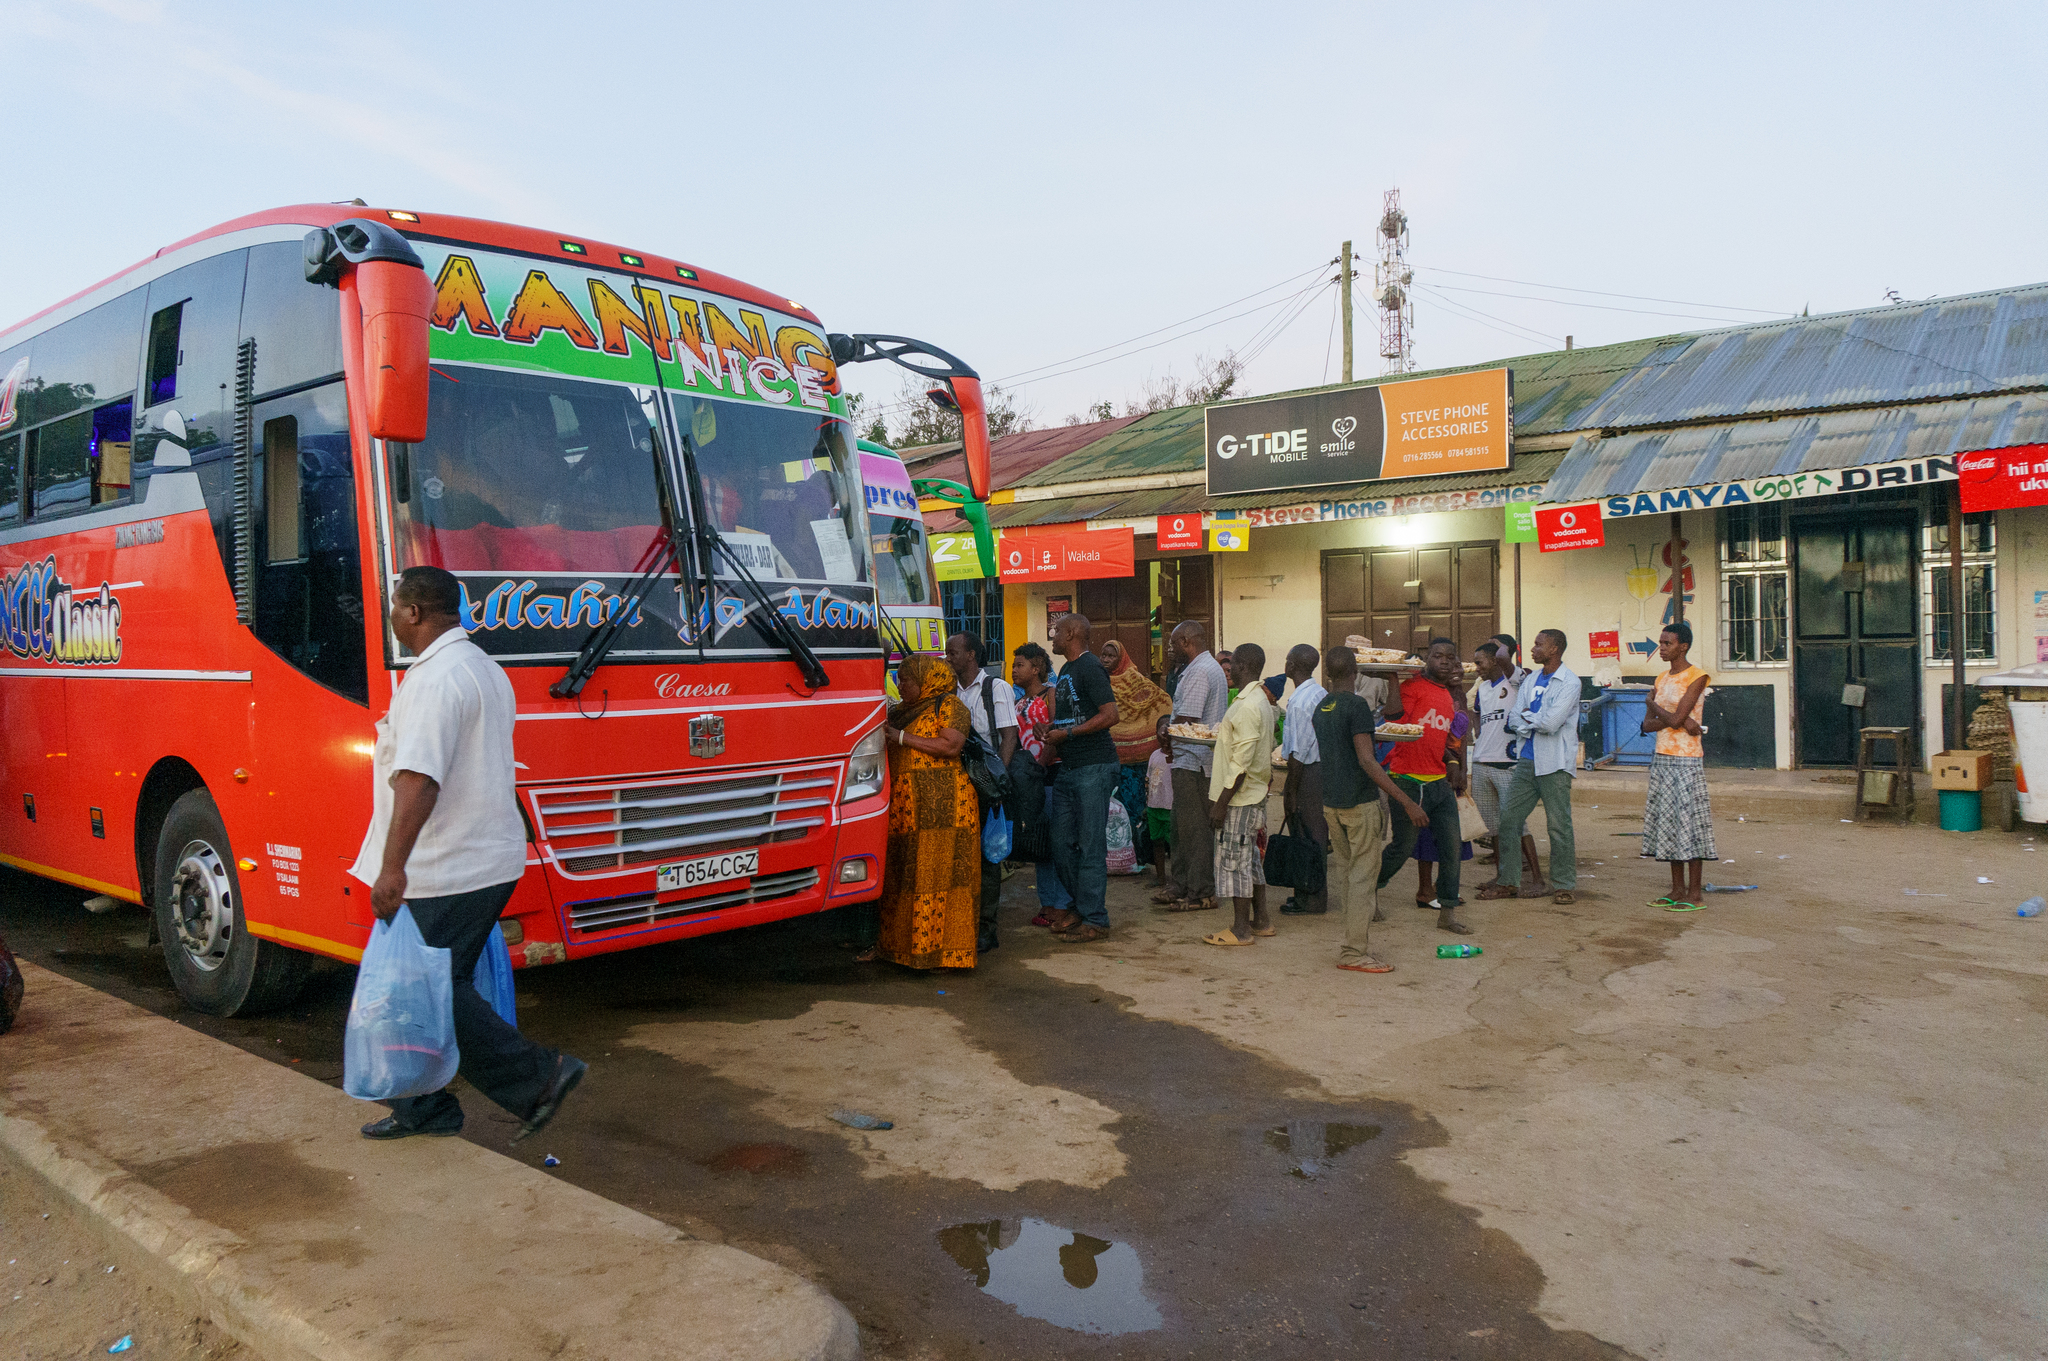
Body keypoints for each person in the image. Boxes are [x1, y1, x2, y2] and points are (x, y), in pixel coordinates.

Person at [352, 565, 584, 1143]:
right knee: (431, 986)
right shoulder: (481, 667)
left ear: (413, 614)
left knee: (425, 989)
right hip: (484, 856)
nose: (391, 616)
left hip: (448, 865)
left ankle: (540, 1078)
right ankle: (425, 1111)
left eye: (395, 606)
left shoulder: (435, 681)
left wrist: (391, 868)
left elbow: (419, 780)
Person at [1315, 647, 1430, 972]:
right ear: (1357, 670)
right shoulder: (1357, 706)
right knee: (1363, 878)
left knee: (1349, 875)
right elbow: (1367, 759)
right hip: (1359, 803)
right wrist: (1407, 802)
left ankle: (1353, 941)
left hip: (1332, 804)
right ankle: (1353, 952)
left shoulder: (1321, 706)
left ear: (1329, 673)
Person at [863, 655, 980, 969]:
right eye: (899, 679)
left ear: (928, 680)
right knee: (902, 878)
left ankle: (943, 955)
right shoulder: (900, 711)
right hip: (905, 809)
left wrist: (900, 737)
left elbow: (950, 746)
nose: (901, 685)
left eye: (906, 680)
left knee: (939, 877)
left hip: (945, 811)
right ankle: (897, 949)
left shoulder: (950, 705)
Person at [1374, 638, 1474, 937]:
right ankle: (1370, 891)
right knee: (1402, 848)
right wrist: (1393, 679)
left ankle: (1447, 911)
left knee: (1451, 847)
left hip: (1438, 782)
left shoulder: (1447, 697)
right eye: (1437, 656)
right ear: (1425, 660)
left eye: (1449, 656)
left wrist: (1453, 763)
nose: (1444, 661)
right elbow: (1393, 719)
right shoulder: (1413, 687)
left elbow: (1439, 740)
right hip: (1407, 780)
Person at [1480, 629, 1582, 905]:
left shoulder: (1570, 682)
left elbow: (1551, 724)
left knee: (1558, 826)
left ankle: (1563, 885)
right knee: (1509, 821)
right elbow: (1513, 720)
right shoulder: (1532, 679)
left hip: (1555, 764)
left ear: (1555, 649)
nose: (1534, 649)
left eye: (1539, 645)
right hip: (1527, 760)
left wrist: (1528, 718)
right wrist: (1532, 719)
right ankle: (1508, 882)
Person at [1037, 614, 1121, 944]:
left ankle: (1095, 918)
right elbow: (1069, 717)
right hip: (1071, 769)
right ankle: (1081, 906)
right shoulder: (1068, 670)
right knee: (1059, 843)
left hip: (1094, 768)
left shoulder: (1088, 667)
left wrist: (1067, 733)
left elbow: (1110, 715)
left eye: (1056, 632)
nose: (1052, 638)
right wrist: (1049, 730)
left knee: (1089, 846)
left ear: (1071, 633)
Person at [1202, 644, 1277, 947]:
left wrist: (1220, 803)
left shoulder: (1248, 706)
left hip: (1240, 797)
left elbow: (1241, 763)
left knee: (1235, 863)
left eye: (1232, 663)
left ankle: (1240, 929)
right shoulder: (1258, 699)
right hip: (1251, 794)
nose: (1228, 668)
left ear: (1244, 666)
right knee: (1251, 861)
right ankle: (1261, 920)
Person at [948, 632, 1017, 954]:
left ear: (972, 655)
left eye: (954, 652)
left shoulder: (995, 688)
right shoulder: (949, 691)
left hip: (986, 783)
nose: (948, 657)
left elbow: (1008, 736)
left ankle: (986, 928)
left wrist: (997, 782)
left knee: (988, 858)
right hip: (956, 781)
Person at [1641, 622, 1715, 911]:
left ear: (1682, 646)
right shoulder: (1661, 678)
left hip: (1686, 760)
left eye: (1667, 643)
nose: (1661, 648)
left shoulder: (1697, 676)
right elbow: (1647, 725)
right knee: (1669, 823)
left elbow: (1669, 719)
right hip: (1663, 756)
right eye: (1660, 643)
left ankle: (1694, 894)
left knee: (1689, 824)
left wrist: (1654, 704)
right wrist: (1682, 720)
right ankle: (1676, 889)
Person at [1158, 621, 1227, 912]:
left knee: (1195, 829)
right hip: (1190, 759)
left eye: (1173, 643)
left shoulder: (1200, 670)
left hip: (1195, 761)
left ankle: (1201, 892)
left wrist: (1165, 731)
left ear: (1187, 641)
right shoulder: (1202, 668)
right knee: (1181, 827)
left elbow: (1188, 720)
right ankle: (1181, 884)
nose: (1170, 650)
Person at [1469, 641, 1542, 886]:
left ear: (1494, 660)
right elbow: (1477, 712)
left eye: (1480, 662)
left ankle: (1536, 876)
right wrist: (1479, 732)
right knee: (1494, 827)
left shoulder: (1515, 681)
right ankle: (1502, 876)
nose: (1476, 667)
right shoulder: (1483, 689)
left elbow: (1505, 660)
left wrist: (1502, 650)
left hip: (1507, 763)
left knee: (1519, 824)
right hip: (1481, 761)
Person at [1012, 642, 1073, 928]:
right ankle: (1046, 903)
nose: (1014, 670)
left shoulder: (1051, 694)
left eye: (1020, 664)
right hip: (1029, 780)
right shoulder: (1018, 702)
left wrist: (1040, 767)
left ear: (1036, 668)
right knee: (1039, 844)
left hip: (1049, 775)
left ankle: (1061, 904)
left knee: (1055, 841)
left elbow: (1056, 731)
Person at [1277, 644, 1329, 916]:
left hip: (1307, 774)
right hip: (1320, 772)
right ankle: (1308, 894)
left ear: (1292, 665)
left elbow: (1298, 751)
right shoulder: (1319, 693)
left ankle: (1311, 898)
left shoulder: (1298, 702)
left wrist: (1291, 791)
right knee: (1316, 835)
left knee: (1305, 836)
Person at [1145, 718, 1175, 887]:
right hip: (1154, 806)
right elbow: (1148, 780)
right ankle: (1161, 877)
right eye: (1161, 732)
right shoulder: (1154, 756)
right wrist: (1147, 802)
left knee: (1173, 844)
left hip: (1170, 807)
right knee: (1157, 842)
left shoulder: (1176, 757)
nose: (1164, 736)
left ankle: (1177, 878)